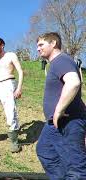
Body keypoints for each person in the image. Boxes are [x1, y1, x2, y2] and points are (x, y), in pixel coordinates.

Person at [36, 32, 86, 179]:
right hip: (56, 123)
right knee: (45, 151)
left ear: (53, 43)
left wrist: (58, 110)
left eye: (41, 45)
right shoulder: (57, 63)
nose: (38, 49)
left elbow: (74, 82)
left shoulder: (61, 60)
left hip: (69, 121)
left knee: (75, 167)